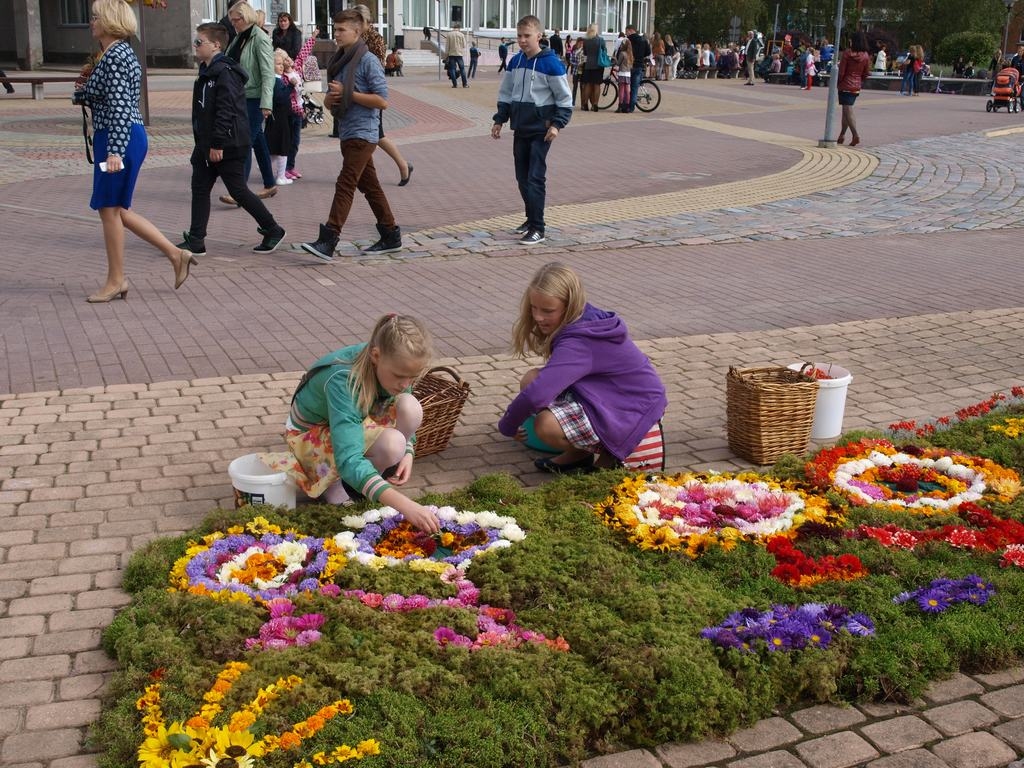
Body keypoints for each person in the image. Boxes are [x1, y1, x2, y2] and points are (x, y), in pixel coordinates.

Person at [262, 314, 441, 533]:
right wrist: (405, 505)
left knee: (410, 407)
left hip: (351, 418)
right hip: (311, 435)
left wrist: (409, 452)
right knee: (392, 444)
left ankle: (365, 481)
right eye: (400, 376)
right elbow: (348, 457)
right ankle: (334, 484)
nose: (406, 384)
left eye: (412, 378)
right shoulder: (344, 380)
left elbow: (399, 407)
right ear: (376, 356)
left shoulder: (392, 360)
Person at [74, 0, 196, 303]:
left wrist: (114, 151)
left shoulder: (114, 56)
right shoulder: (116, 53)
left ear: (110, 20)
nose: (92, 22)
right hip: (124, 136)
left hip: (119, 138)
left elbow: (117, 107)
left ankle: (116, 280)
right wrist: (84, 91)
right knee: (116, 209)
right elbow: (116, 99)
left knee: (109, 208)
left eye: (95, 17)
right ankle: (175, 254)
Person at [498, 262, 667, 474]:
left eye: (548, 310)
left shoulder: (580, 341)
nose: (538, 316)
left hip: (635, 409)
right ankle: (580, 454)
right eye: (534, 307)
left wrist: (508, 425)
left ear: (569, 305)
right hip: (612, 396)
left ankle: (610, 453)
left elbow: (536, 396)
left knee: (545, 424)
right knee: (531, 378)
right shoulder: (583, 317)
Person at [300, 8, 403, 260]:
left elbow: (382, 101)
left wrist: (349, 93)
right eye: (335, 29)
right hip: (346, 129)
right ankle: (390, 234)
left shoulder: (367, 61)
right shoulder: (339, 60)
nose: (336, 34)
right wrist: (332, 98)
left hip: (364, 132)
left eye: (341, 30)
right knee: (370, 187)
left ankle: (329, 239)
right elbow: (328, 102)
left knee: (345, 183)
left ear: (357, 31)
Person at [179, 24, 286, 258]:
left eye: (200, 42)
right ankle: (196, 240)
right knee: (199, 188)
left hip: (226, 143)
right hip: (207, 143)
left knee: (238, 191)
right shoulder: (207, 71)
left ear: (216, 45)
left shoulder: (224, 72)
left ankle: (273, 229)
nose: (195, 46)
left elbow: (226, 110)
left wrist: (217, 143)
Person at [492, 14, 572, 246]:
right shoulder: (516, 62)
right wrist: (500, 119)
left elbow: (565, 100)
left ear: (539, 36)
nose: (523, 40)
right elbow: (506, 93)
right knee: (522, 178)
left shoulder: (551, 63)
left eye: (527, 36)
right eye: (519, 36)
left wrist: (557, 125)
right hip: (521, 127)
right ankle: (530, 218)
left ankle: (538, 227)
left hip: (542, 130)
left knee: (535, 177)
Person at [221, 1, 277, 204]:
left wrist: (266, 103)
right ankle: (270, 183)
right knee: (257, 139)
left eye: (235, 20)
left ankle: (239, 191)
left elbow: (267, 73)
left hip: (254, 98)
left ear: (244, 18)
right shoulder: (239, 37)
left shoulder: (259, 38)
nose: (233, 24)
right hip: (239, 96)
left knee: (243, 143)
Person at [351, 4, 413, 185]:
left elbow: (377, 66)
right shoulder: (353, 37)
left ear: (366, 21)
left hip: (370, 94)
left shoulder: (375, 38)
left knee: (376, 135)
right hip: (355, 92)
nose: (354, 24)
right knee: (365, 136)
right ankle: (359, 172)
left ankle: (402, 165)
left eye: (357, 21)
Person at [267, 49, 297, 186]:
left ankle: (266, 168)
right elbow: (281, 98)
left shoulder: (276, 80)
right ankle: (280, 176)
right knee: (283, 147)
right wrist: (291, 85)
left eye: (281, 64)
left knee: (274, 148)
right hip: (279, 119)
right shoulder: (276, 81)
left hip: (279, 117)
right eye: (277, 64)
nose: (281, 66)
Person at [836, 31, 871, 147]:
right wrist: (860, 80)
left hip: (845, 84)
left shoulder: (847, 53)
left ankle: (855, 134)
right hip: (856, 85)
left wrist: (838, 82)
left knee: (847, 109)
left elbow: (841, 71)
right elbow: (866, 72)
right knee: (846, 110)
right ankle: (841, 135)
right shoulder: (865, 55)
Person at [580, 24, 607, 112]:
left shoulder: (586, 41)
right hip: (598, 65)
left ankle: (585, 104)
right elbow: (604, 50)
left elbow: (585, 53)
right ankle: (595, 104)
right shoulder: (600, 40)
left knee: (587, 84)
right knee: (596, 85)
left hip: (588, 65)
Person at [626, 24, 651, 112]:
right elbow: (648, 52)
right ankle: (631, 107)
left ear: (630, 30)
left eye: (626, 31)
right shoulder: (643, 40)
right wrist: (641, 56)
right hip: (639, 66)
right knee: (634, 87)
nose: (626, 33)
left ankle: (625, 105)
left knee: (626, 86)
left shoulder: (627, 40)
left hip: (629, 66)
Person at [446, 23, 468, 87]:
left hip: (451, 54)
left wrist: (446, 55)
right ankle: (464, 84)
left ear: (453, 28)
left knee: (452, 69)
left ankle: (454, 84)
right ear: (459, 28)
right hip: (459, 54)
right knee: (462, 69)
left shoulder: (449, 34)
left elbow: (447, 46)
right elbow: (464, 45)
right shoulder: (461, 35)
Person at [615, 37, 633, 112]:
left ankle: (620, 106)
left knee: (621, 90)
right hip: (628, 73)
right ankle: (627, 107)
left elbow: (618, 63)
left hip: (622, 73)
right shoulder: (630, 54)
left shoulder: (622, 53)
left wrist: (615, 59)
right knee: (627, 91)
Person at [567, 37, 584, 106]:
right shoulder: (574, 50)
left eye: (582, 43)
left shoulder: (584, 50)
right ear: (578, 42)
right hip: (575, 70)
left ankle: (582, 103)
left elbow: (585, 59)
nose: (581, 44)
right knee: (575, 87)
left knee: (582, 87)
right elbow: (571, 60)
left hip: (582, 71)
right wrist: (577, 64)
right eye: (580, 43)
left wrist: (582, 64)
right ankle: (573, 102)